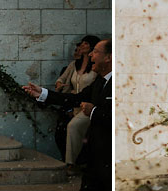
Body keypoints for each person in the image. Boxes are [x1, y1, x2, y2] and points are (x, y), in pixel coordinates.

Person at [23, 39, 112, 191]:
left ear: (109, 57)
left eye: (96, 52)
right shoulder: (99, 81)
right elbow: (76, 98)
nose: (91, 55)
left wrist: (94, 111)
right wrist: (43, 93)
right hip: (95, 159)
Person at [53, 35, 101, 169]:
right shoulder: (74, 65)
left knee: (73, 126)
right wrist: (59, 84)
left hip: (88, 105)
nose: (83, 46)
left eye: (86, 43)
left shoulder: (96, 67)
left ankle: (71, 163)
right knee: (63, 129)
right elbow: (61, 79)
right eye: (82, 43)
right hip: (74, 103)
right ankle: (71, 160)